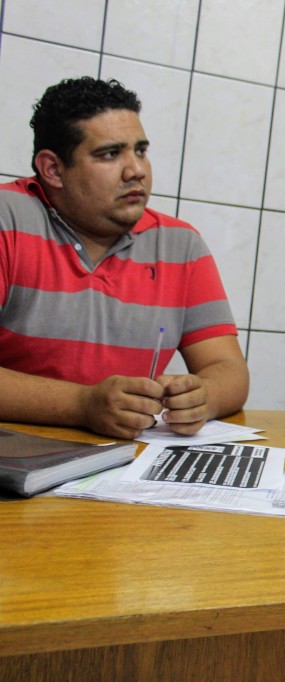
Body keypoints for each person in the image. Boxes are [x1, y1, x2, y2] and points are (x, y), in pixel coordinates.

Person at [0, 77, 248, 441]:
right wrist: (81, 405)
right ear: (52, 169)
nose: (137, 171)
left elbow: (227, 369)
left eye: (141, 150)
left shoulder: (181, 244)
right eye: (110, 154)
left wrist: (203, 397)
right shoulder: (7, 219)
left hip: (124, 469)